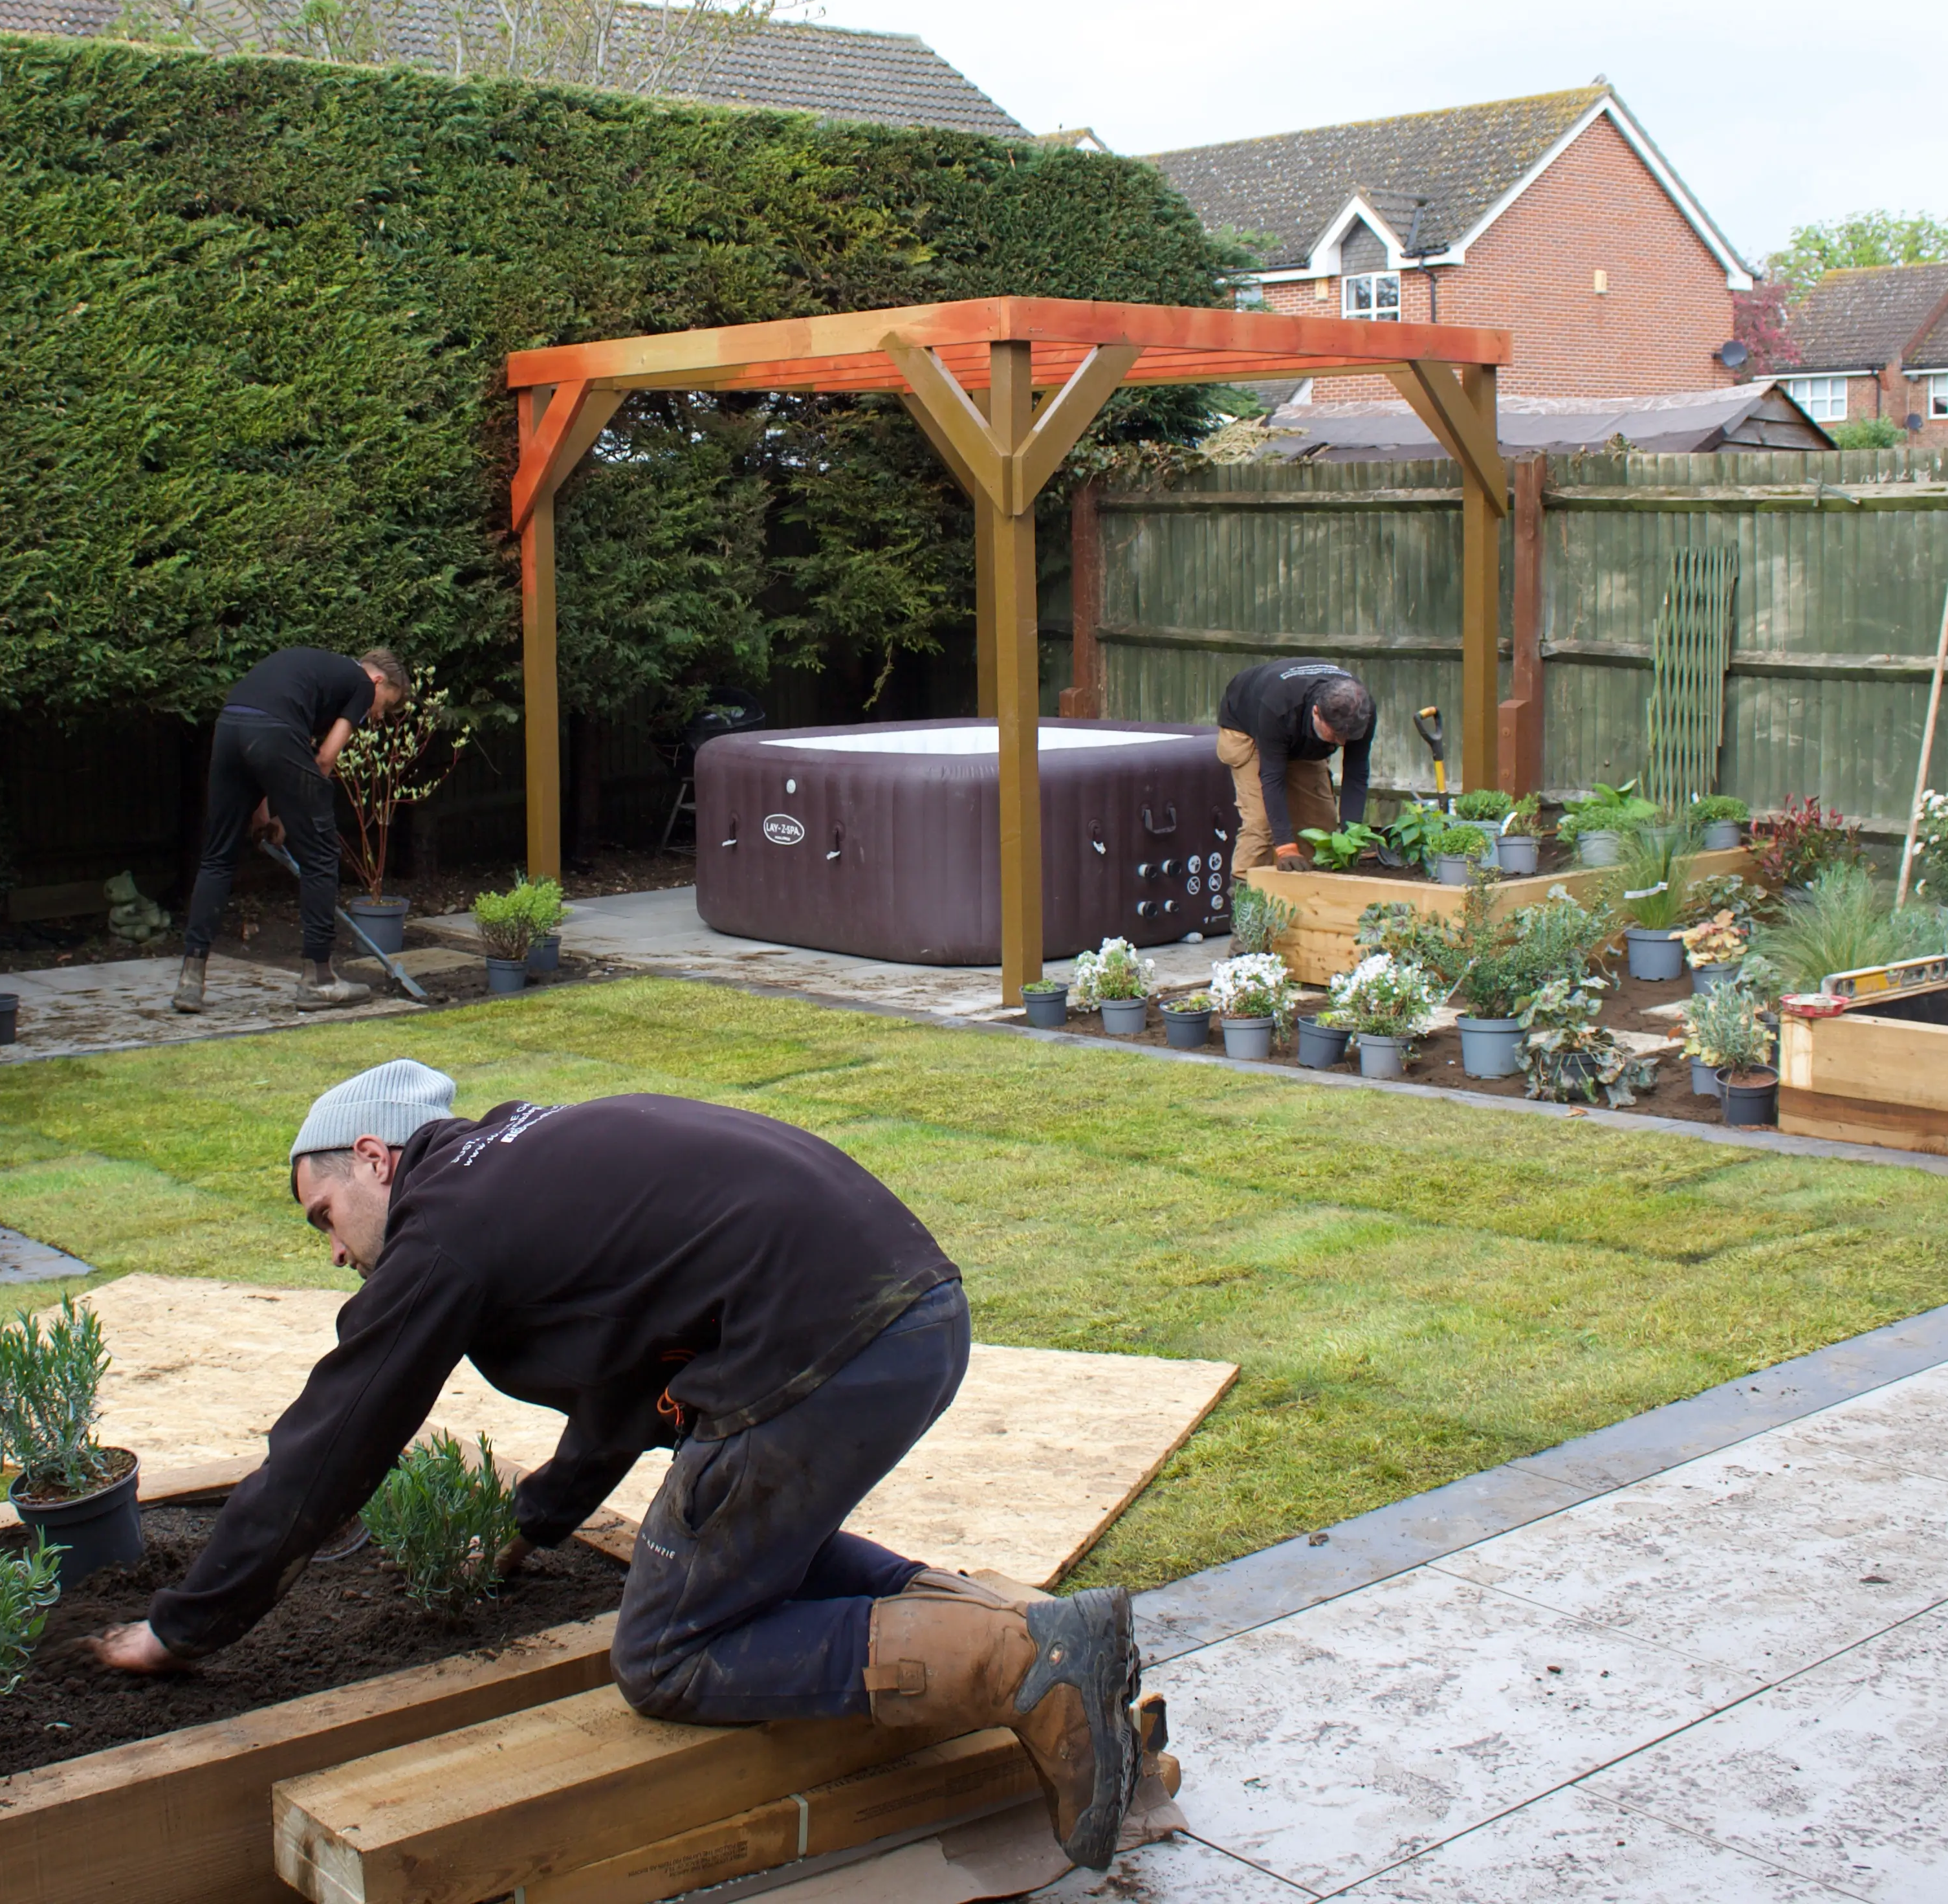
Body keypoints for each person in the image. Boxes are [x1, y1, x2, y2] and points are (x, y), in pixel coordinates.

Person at [82, 1060, 1156, 1869]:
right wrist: (537, 1521)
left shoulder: (444, 1224)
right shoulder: (511, 1160)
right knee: (731, 1542)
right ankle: (1044, 1641)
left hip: (828, 1344)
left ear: (374, 1157)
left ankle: (1017, 1664)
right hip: (904, 1314)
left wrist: (188, 1621)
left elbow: (335, 1436)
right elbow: (617, 1390)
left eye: (324, 1216)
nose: (331, 1249)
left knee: (666, 1652)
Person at [174, 647, 408, 1014]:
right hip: (271, 733)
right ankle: (318, 980)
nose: (375, 716)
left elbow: (261, 746)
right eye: (382, 706)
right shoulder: (361, 685)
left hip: (230, 727)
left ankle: (190, 980)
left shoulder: (315, 671)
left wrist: (265, 817)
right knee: (321, 855)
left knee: (217, 857)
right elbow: (325, 759)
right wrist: (290, 815)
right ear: (377, 681)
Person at [1215, 657, 1377, 879]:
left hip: (1301, 738)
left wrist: (1351, 834)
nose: (1341, 744)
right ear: (1317, 712)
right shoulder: (1279, 704)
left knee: (1320, 828)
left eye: (1347, 738)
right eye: (1335, 735)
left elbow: (1356, 774)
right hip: (1248, 729)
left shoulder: (1361, 713)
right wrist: (1285, 847)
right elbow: (1272, 777)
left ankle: (1307, 903)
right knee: (1262, 826)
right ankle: (1247, 899)